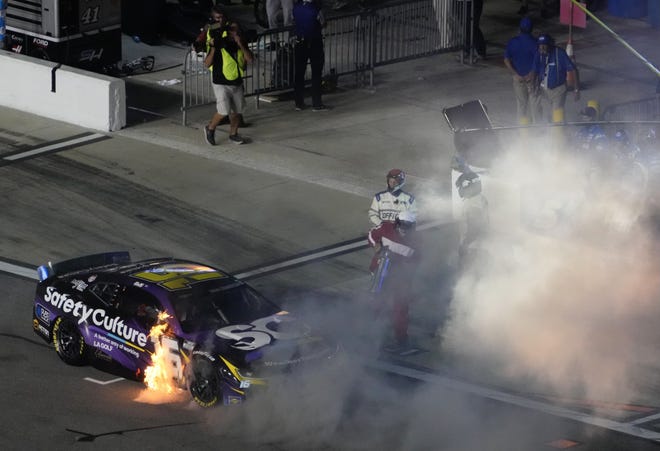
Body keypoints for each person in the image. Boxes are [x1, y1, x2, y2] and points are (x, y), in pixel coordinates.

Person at [368, 211, 419, 352]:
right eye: (402, 225)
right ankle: (370, 332)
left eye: (408, 227)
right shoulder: (385, 228)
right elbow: (371, 235)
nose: (404, 229)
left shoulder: (416, 243)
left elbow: (415, 262)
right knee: (377, 303)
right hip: (381, 272)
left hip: (399, 278)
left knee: (401, 308)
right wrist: (376, 245)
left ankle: (401, 338)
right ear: (397, 223)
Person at [203, 9, 254, 146]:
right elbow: (207, 64)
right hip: (220, 82)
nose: (234, 32)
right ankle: (210, 128)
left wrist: (241, 44)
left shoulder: (240, 42)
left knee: (237, 111)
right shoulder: (219, 43)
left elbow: (249, 59)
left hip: (236, 81)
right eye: (232, 31)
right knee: (224, 111)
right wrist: (213, 48)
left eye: (236, 31)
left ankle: (233, 134)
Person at [531, 33, 579, 124]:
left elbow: (573, 70)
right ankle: (540, 129)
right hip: (543, 88)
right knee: (537, 107)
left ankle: (560, 133)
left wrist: (576, 89)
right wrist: (533, 86)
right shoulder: (538, 54)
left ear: (549, 45)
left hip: (558, 90)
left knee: (557, 114)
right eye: (540, 46)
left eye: (544, 46)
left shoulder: (560, 53)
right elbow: (534, 70)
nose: (542, 49)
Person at [292, 0, 328, 111]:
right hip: (314, 43)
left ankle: (299, 103)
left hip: (299, 43)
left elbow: (294, 21)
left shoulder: (296, 7)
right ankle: (317, 103)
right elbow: (323, 23)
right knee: (316, 73)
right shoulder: (316, 8)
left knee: (299, 73)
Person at [503, 17, 538, 125]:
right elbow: (538, 61)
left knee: (521, 104)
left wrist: (515, 74)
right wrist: (532, 73)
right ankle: (537, 128)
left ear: (520, 28)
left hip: (518, 79)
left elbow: (506, 60)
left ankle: (522, 129)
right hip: (532, 79)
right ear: (532, 29)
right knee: (535, 103)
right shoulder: (535, 43)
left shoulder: (513, 42)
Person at [455, 171, 489, 267]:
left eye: (460, 187)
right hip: (481, 245)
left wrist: (464, 245)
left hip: (473, 248)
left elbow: (472, 228)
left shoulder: (471, 204)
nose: (459, 190)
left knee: (468, 273)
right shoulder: (481, 199)